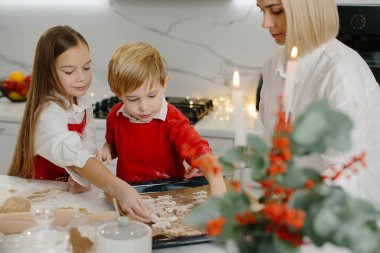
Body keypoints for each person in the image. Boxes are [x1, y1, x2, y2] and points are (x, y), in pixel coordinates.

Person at [8, 26, 152, 222]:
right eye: (69, 71)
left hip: (69, 197)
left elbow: (86, 151)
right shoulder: (47, 113)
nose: (82, 77)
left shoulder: (82, 105)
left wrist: (80, 179)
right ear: (48, 73)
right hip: (43, 199)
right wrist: (117, 186)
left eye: (86, 67)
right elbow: (74, 155)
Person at [256, 0, 380, 207]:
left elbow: (343, 175)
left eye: (276, 11)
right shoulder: (272, 64)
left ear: (306, 10)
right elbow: (271, 145)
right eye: (262, 11)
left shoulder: (341, 72)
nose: (265, 23)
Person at [96, 41, 227, 196]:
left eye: (152, 95)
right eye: (132, 99)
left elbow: (198, 150)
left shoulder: (173, 121)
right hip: (129, 193)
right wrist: (107, 150)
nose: (144, 107)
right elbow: (113, 144)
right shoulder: (115, 116)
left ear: (164, 84)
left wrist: (216, 180)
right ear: (118, 93)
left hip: (170, 195)